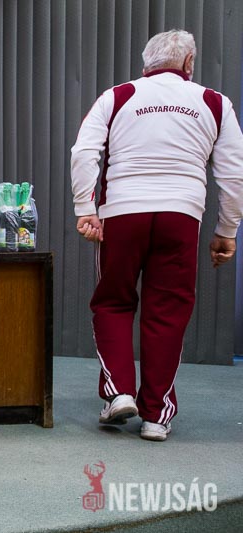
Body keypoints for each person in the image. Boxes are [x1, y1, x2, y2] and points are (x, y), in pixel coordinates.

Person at [70, 30, 243, 442]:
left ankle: (118, 393)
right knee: (167, 311)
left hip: (122, 213)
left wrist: (85, 208)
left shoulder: (118, 96)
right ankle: (156, 416)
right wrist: (226, 231)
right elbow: (233, 173)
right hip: (181, 215)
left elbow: (83, 152)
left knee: (113, 302)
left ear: (146, 63)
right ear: (189, 63)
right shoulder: (214, 102)